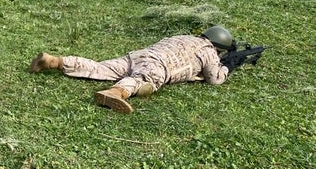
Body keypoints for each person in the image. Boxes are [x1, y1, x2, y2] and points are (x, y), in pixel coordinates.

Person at [28, 26, 236, 114]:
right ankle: (115, 92)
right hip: (158, 66)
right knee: (144, 82)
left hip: (138, 55)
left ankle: (55, 61)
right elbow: (214, 79)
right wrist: (227, 66)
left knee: (100, 67)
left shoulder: (183, 36)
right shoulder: (209, 51)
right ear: (219, 47)